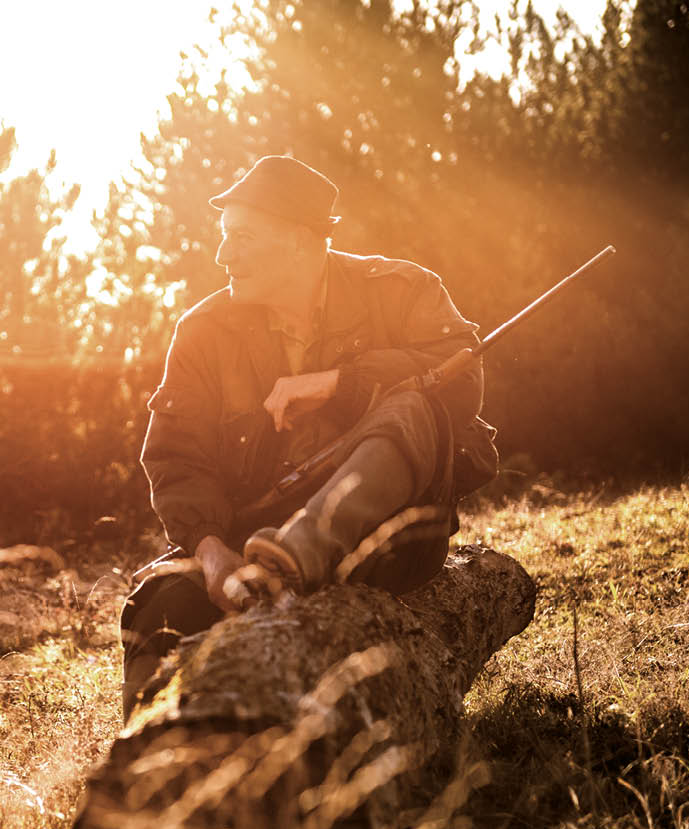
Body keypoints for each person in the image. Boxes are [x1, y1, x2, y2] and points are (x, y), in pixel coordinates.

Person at [121, 156, 497, 717]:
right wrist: (211, 551)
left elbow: (463, 377)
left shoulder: (401, 290)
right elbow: (177, 457)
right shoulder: (201, 333)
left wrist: (344, 384)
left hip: (387, 541)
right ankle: (142, 771)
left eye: (242, 237)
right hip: (254, 545)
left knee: (415, 403)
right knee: (163, 608)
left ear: (301, 241)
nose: (224, 255)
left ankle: (298, 556)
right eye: (224, 238)